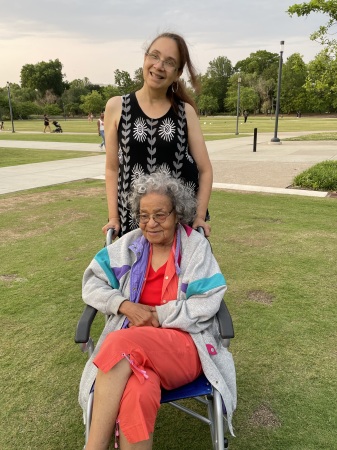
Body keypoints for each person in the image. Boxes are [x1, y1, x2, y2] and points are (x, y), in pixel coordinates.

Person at [79, 172, 236, 450]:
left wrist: (158, 316)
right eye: (143, 215)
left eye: (160, 215)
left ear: (178, 214)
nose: (150, 224)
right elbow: (92, 282)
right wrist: (124, 305)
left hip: (185, 347)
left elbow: (207, 301)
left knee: (118, 343)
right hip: (135, 351)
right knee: (137, 391)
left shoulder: (194, 249)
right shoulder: (129, 245)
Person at [103, 32, 213, 238]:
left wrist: (199, 217)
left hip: (177, 223)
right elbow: (112, 169)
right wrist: (114, 218)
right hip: (134, 220)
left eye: (169, 62)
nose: (159, 65)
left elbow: (205, 170)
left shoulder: (184, 112)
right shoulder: (117, 107)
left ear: (178, 72)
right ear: (145, 58)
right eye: (154, 56)